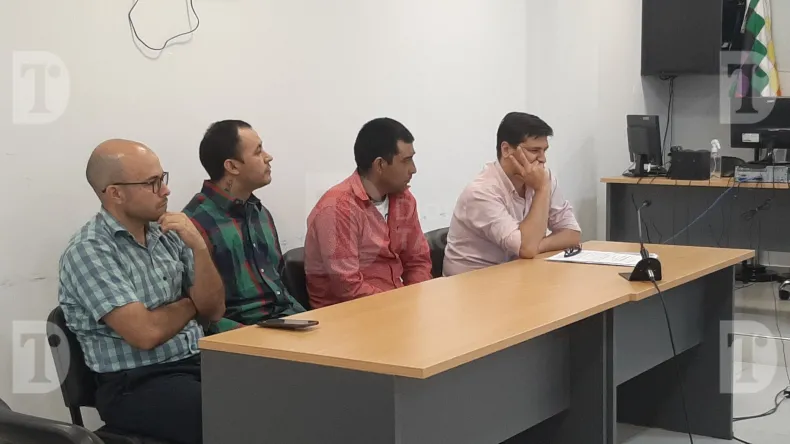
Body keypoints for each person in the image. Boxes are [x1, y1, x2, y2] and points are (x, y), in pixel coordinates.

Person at [58, 139, 225, 444]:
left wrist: (199, 247)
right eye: (152, 183)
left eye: (163, 178)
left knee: (278, 391)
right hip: (135, 383)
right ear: (115, 193)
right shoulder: (90, 251)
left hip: (197, 361)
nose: (166, 190)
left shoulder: (169, 233)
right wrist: (191, 304)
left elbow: (214, 310)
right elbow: (145, 334)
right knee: (234, 416)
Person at [184, 120, 305, 333]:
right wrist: (251, 337)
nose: (268, 157)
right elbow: (204, 315)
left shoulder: (259, 212)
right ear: (232, 166)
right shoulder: (194, 224)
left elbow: (280, 288)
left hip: (286, 322)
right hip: (242, 334)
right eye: (258, 151)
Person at [304, 117, 432, 309]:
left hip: (395, 306)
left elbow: (418, 261)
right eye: (406, 160)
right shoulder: (337, 208)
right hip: (346, 315)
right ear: (380, 165)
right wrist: (400, 305)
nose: (413, 169)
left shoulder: (404, 200)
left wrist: (414, 301)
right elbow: (348, 287)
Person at [443, 112, 581, 276]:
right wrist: (542, 190)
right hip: (472, 282)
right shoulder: (481, 192)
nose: (543, 159)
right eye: (534, 150)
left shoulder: (543, 178)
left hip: (515, 274)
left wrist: (537, 245)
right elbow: (526, 248)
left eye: (544, 151)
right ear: (506, 149)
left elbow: (572, 233)